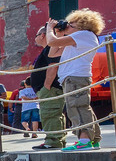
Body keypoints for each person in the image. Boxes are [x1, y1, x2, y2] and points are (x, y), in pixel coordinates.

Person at [41, 10, 104, 147]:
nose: (67, 26)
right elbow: (52, 53)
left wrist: (49, 29)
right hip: (72, 77)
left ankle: (85, 141)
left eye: (70, 24)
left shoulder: (84, 35)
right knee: (82, 107)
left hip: (75, 77)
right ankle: (94, 139)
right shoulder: (78, 39)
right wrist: (59, 33)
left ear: (82, 25)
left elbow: (51, 42)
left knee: (77, 108)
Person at [30, 20, 67, 149]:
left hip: (50, 88)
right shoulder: (50, 49)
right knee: (54, 114)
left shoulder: (50, 49)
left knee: (49, 114)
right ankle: (57, 140)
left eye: (36, 35)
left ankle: (52, 142)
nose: (35, 38)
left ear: (42, 35)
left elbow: (53, 65)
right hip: (51, 88)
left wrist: (46, 86)